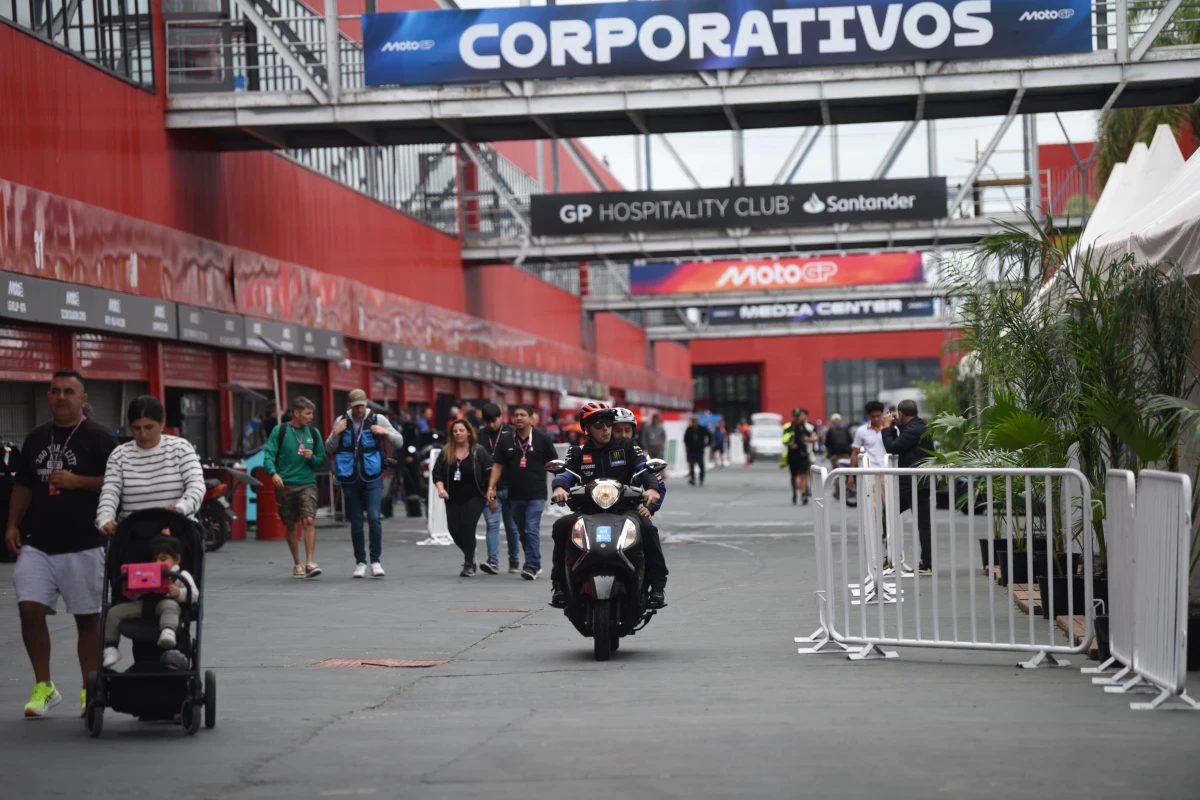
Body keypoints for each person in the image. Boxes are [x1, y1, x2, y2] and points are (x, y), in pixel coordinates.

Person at [6, 369, 118, 718]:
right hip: (39, 542)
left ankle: (89, 690)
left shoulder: (100, 438)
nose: (61, 397)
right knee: (29, 609)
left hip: (85, 542)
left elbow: (117, 482)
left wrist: (78, 481)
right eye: (55, 391)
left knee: (87, 619)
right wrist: (11, 523)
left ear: (84, 399)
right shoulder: (37, 438)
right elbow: (23, 484)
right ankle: (44, 686)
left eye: (69, 391)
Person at [548, 403, 665, 608]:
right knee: (561, 526)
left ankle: (657, 586)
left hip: (625, 510)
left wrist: (652, 488)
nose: (606, 429)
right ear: (587, 429)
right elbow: (566, 474)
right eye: (599, 424)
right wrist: (559, 487)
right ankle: (560, 585)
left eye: (609, 424)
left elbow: (644, 469)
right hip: (587, 511)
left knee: (647, 528)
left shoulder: (627, 447)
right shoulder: (577, 452)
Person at [97, 395, 206, 534]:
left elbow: (196, 486)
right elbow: (109, 492)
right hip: (134, 535)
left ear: (161, 424)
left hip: (176, 533)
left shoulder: (181, 448)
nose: (143, 434)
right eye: (137, 428)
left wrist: (180, 508)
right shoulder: (119, 455)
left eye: (149, 427)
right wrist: (105, 518)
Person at [326, 389, 404, 578]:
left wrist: (385, 432)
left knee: (375, 518)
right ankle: (360, 562)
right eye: (356, 406)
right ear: (350, 406)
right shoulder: (341, 421)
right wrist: (335, 434)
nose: (359, 409)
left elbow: (399, 442)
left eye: (362, 405)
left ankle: (375, 561)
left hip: (373, 477)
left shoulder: (378, 420)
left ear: (366, 403)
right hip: (350, 478)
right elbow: (329, 448)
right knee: (356, 522)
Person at [101, 533, 199, 669]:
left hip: (166, 606)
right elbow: (132, 596)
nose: (158, 563)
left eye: (163, 559)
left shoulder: (182, 575)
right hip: (143, 605)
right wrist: (135, 592)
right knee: (113, 612)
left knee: (170, 605)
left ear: (176, 559)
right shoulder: (145, 572)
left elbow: (194, 594)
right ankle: (111, 647)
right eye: (155, 559)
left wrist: (179, 593)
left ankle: (168, 630)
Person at [485, 404, 559, 581]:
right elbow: (498, 465)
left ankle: (531, 566)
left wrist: (560, 487)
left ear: (531, 418)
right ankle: (536, 561)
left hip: (536, 494)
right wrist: (491, 488)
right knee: (523, 532)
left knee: (531, 529)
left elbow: (555, 463)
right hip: (515, 495)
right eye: (516, 415)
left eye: (523, 415)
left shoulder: (542, 439)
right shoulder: (507, 440)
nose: (518, 418)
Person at [264, 397, 327, 579]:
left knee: (308, 520)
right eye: (307, 413)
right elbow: (269, 454)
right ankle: (297, 563)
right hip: (285, 484)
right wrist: (273, 473)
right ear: (296, 413)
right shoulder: (280, 430)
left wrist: (312, 457)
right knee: (291, 524)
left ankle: (310, 563)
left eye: (311, 413)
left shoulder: (314, 433)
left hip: (307, 482)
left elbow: (321, 460)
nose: (311, 417)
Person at [432, 419, 494, 577]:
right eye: (455, 431)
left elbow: (490, 472)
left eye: (461, 430)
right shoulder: (446, 451)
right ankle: (471, 552)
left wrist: (490, 491)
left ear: (468, 432)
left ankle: (468, 564)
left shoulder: (478, 451)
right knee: (454, 531)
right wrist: (441, 489)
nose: (458, 433)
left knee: (467, 527)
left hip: (475, 496)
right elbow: (437, 473)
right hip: (452, 496)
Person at [882, 399, 934, 575]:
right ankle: (921, 562)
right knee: (920, 523)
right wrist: (895, 427)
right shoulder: (917, 427)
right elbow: (905, 444)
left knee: (890, 515)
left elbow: (893, 447)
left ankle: (924, 563)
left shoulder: (915, 429)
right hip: (914, 482)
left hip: (912, 483)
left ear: (901, 413)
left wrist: (887, 428)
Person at [477, 403, 519, 574]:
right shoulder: (481, 434)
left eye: (493, 421)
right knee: (492, 524)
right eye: (487, 422)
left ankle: (514, 560)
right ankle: (492, 561)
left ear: (501, 417)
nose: (490, 425)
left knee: (512, 526)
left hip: (510, 487)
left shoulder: (511, 433)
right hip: (490, 487)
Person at [783, 408, 819, 505]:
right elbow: (784, 440)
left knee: (803, 475)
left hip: (804, 454)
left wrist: (808, 439)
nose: (799, 417)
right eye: (797, 416)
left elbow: (815, 437)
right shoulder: (789, 426)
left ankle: (803, 494)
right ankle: (794, 492)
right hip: (793, 454)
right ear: (793, 416)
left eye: (800, 415)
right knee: (794, 475)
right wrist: (790, 445)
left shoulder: (808, 427)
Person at [683, 416, 711, 486]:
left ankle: (701, 479)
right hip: (691, 450)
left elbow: (710, 435)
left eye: (695, 422)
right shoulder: (689, 429)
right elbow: (685, 439)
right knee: (692, 465)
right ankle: (692, 479)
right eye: (693, 422)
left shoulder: (702, 429)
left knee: (701, 465)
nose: (694, 423)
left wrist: (707, 444)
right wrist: (687, 446)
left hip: (700, 450)